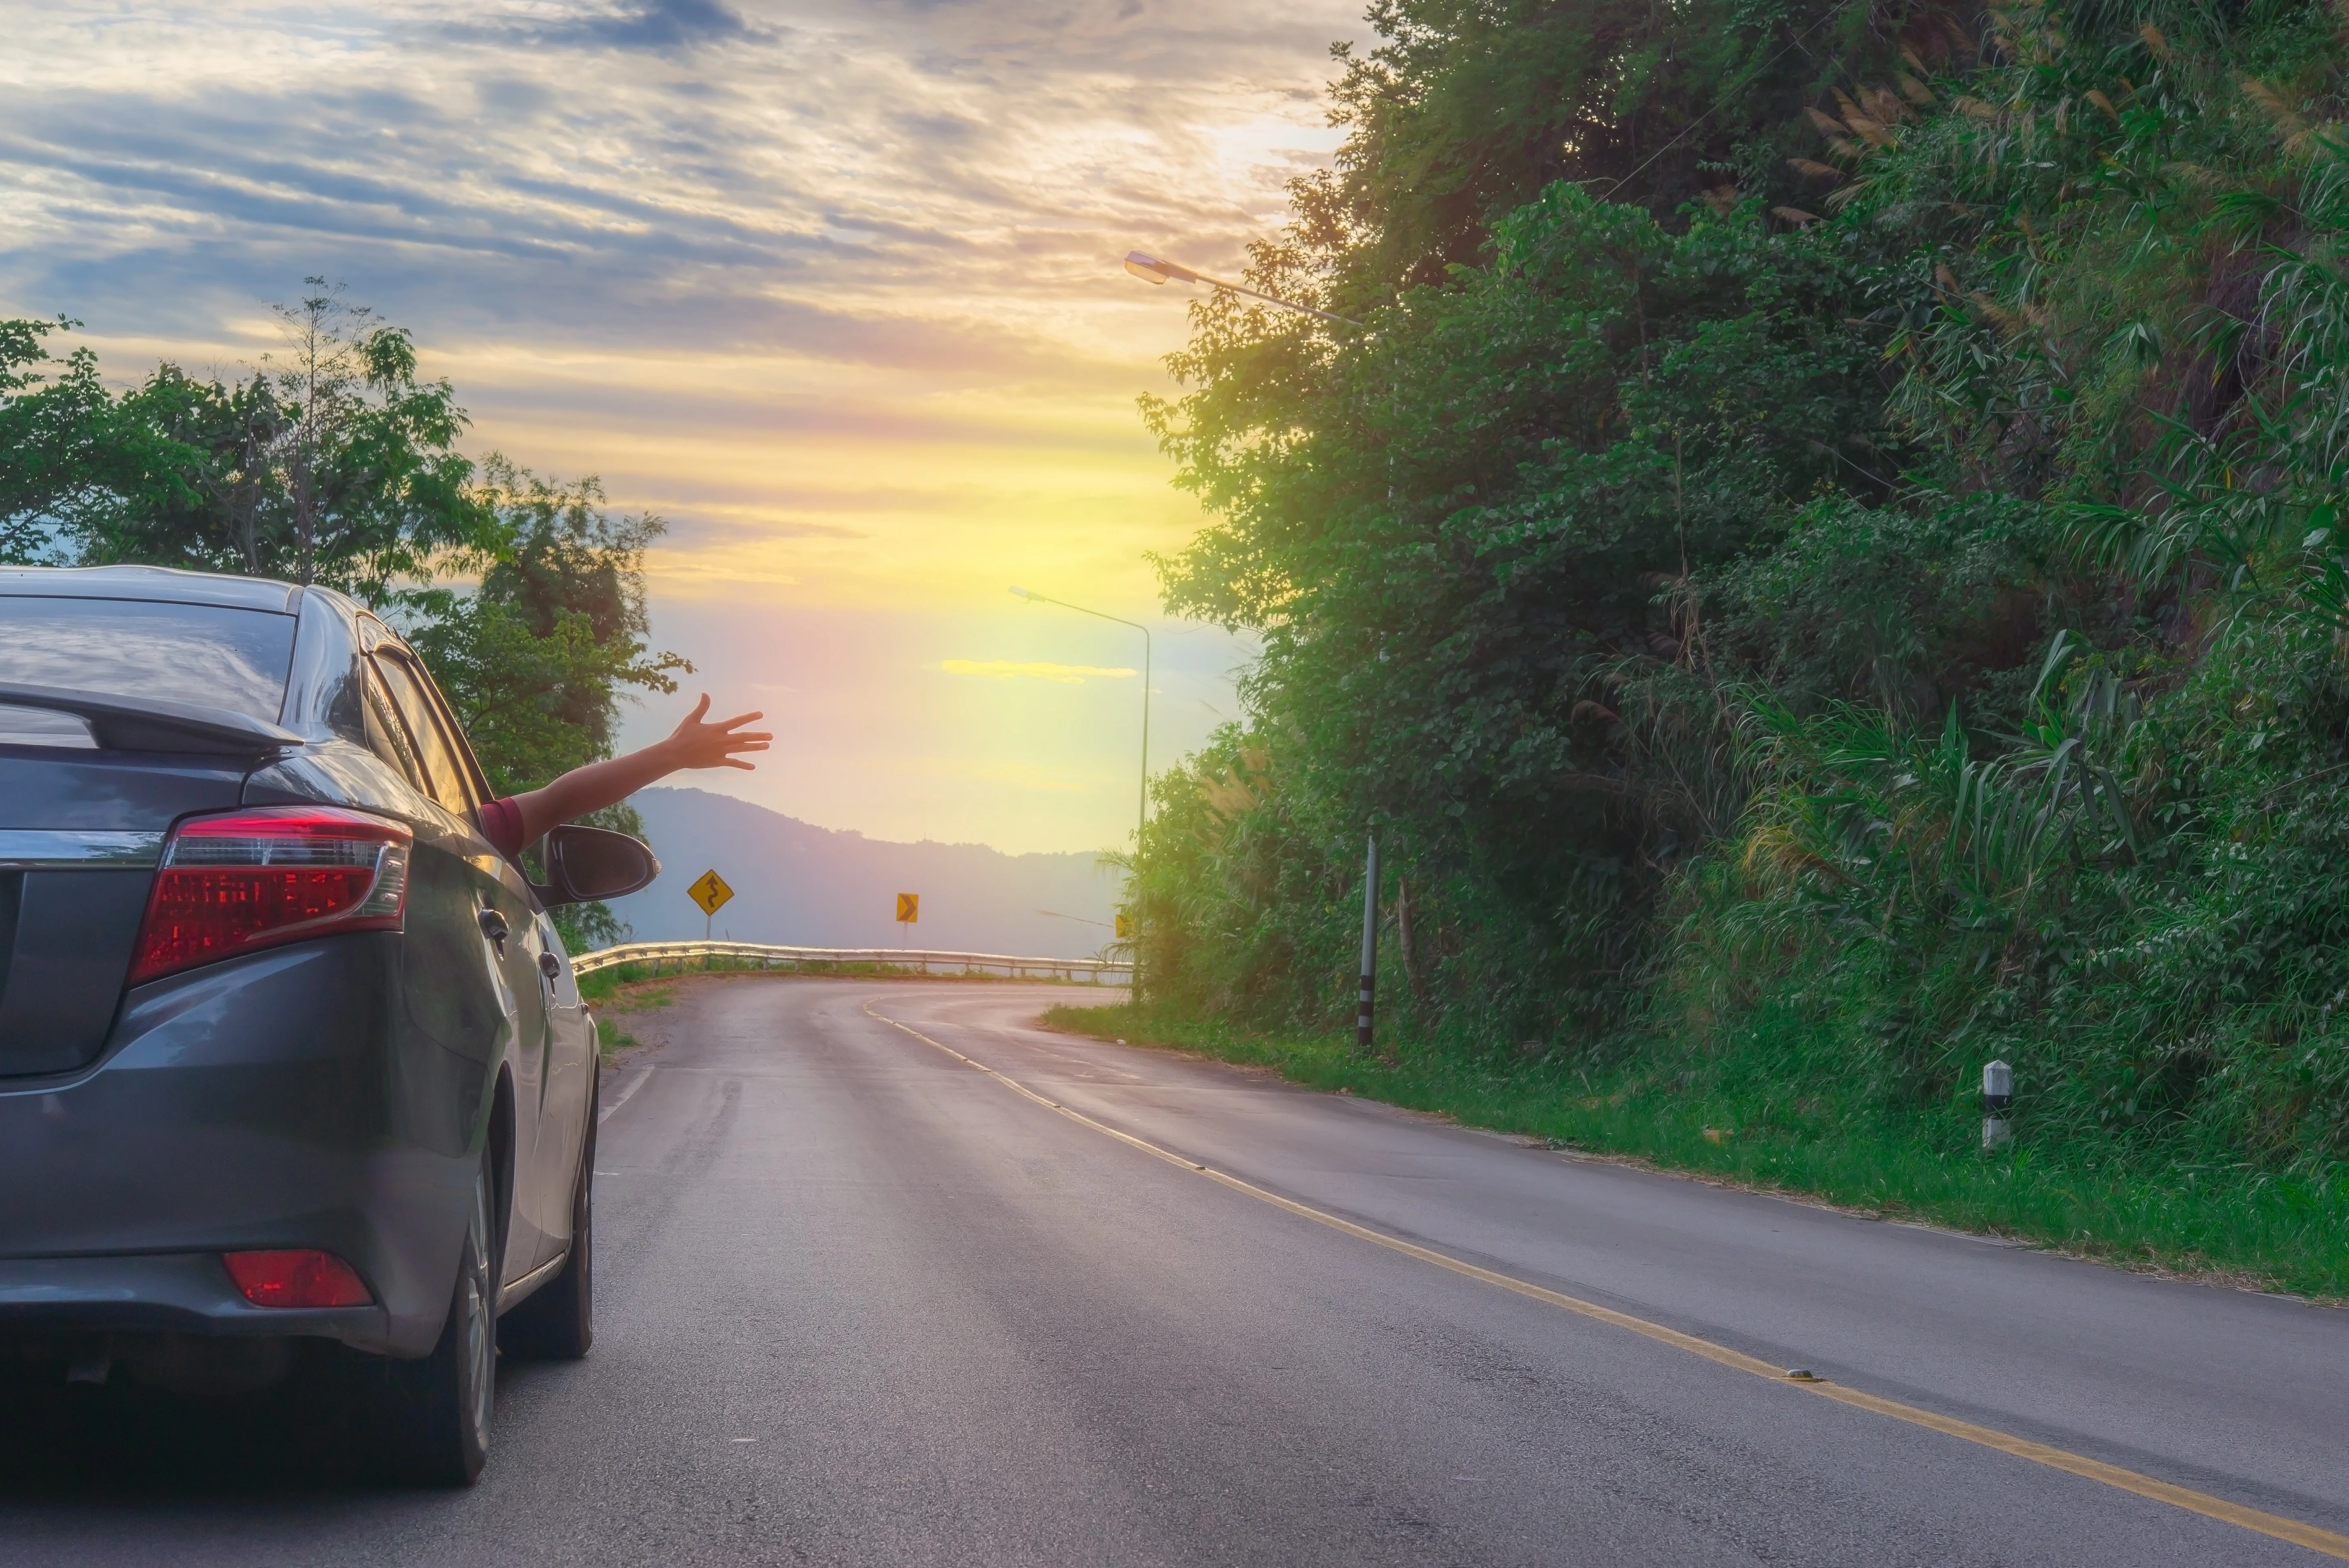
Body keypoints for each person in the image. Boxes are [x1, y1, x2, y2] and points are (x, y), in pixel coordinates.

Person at [476, 694, 771, 861]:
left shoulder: (455, 837)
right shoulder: (463, 840)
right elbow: (556, 805)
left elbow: (557, 804)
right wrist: (673, 755)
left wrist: (674, 754)